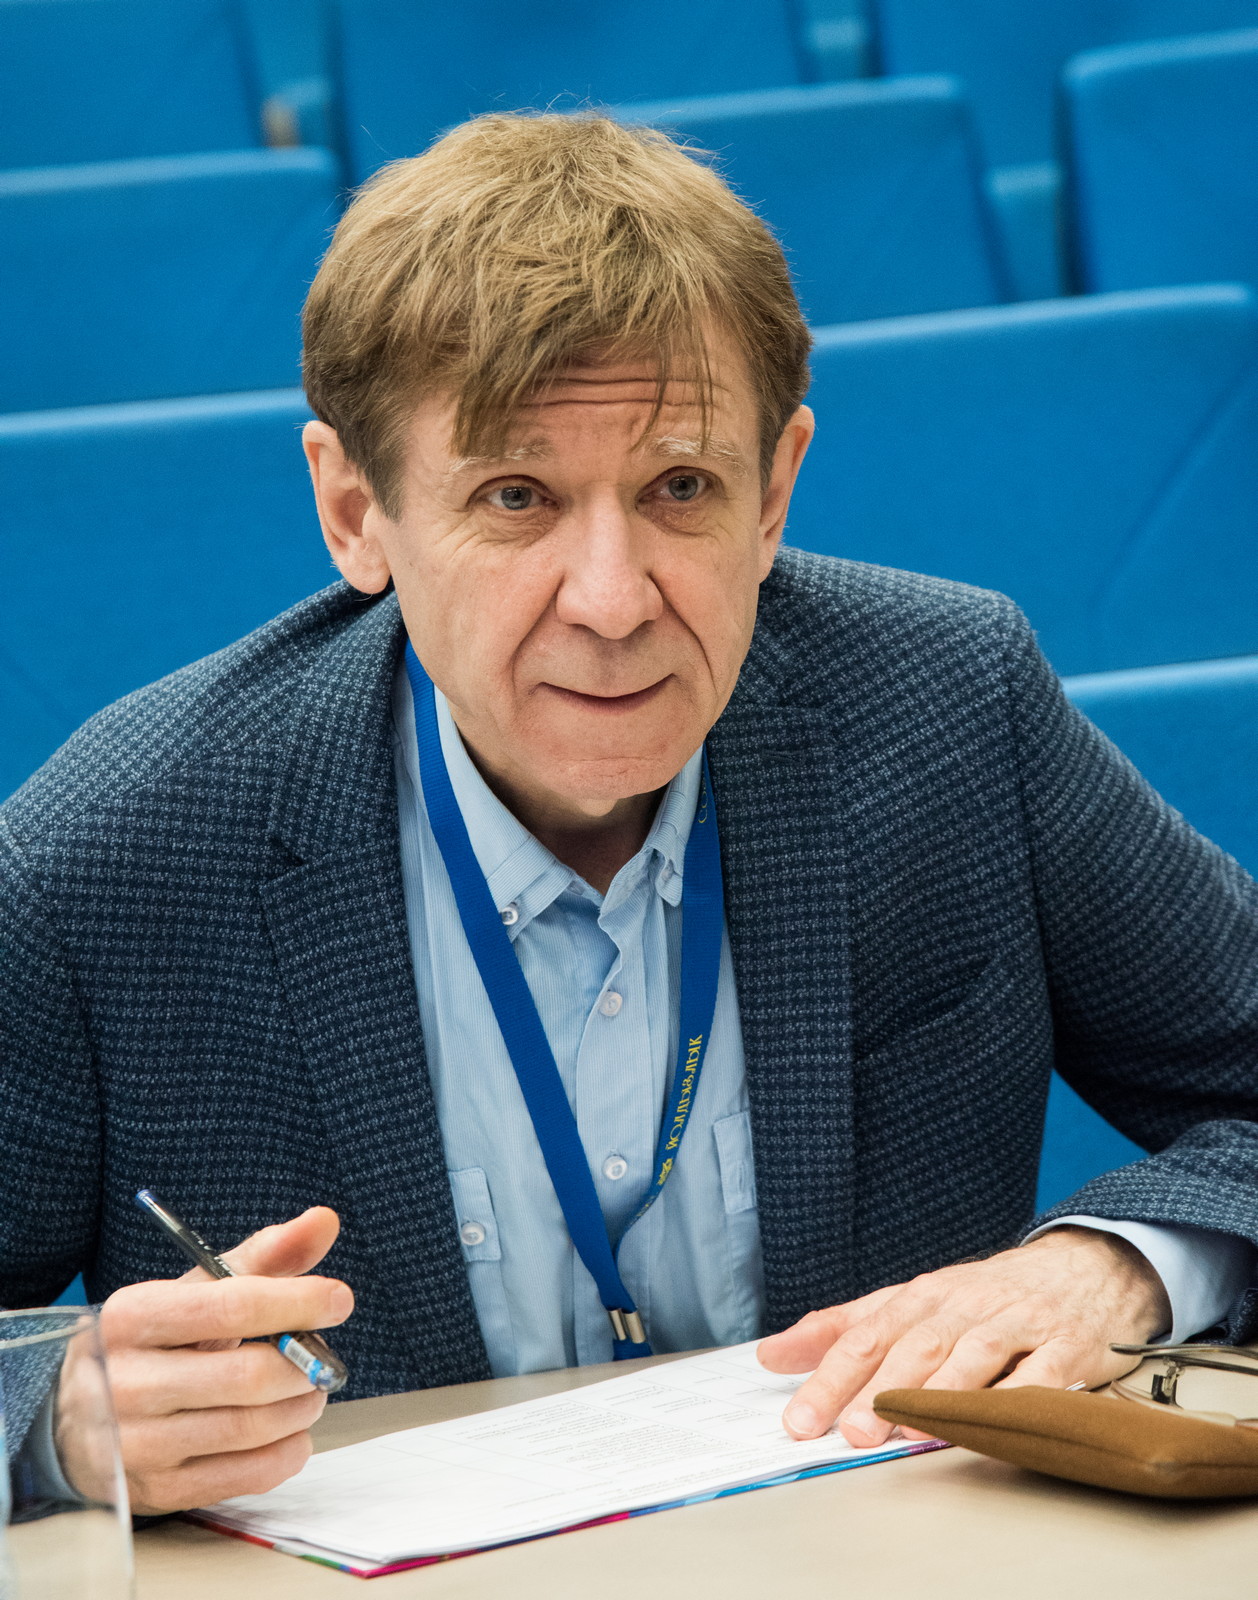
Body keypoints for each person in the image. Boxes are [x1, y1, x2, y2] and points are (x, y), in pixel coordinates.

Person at [2, 113, 1256, 1518]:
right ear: (356, 512)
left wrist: (1115, 1265)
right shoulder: (106, 857)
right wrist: (51, 1420)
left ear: (772, 492)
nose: (611, 601)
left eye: (680, 487)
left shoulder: (949, 711)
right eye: (515, 496)